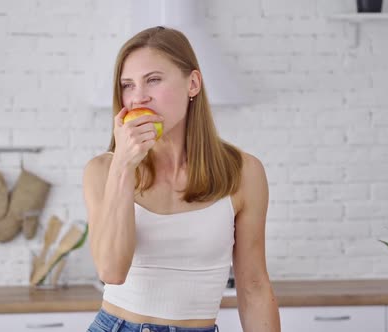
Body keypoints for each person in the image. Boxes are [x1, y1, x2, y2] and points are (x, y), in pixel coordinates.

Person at [83, 26, 281, 332]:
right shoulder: (102, 171)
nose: (138, 97)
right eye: (127, 85)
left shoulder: (244, 173)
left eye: (153, 79)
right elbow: (111, 270)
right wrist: (123, 166)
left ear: (193, 84)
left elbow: (254, 287)